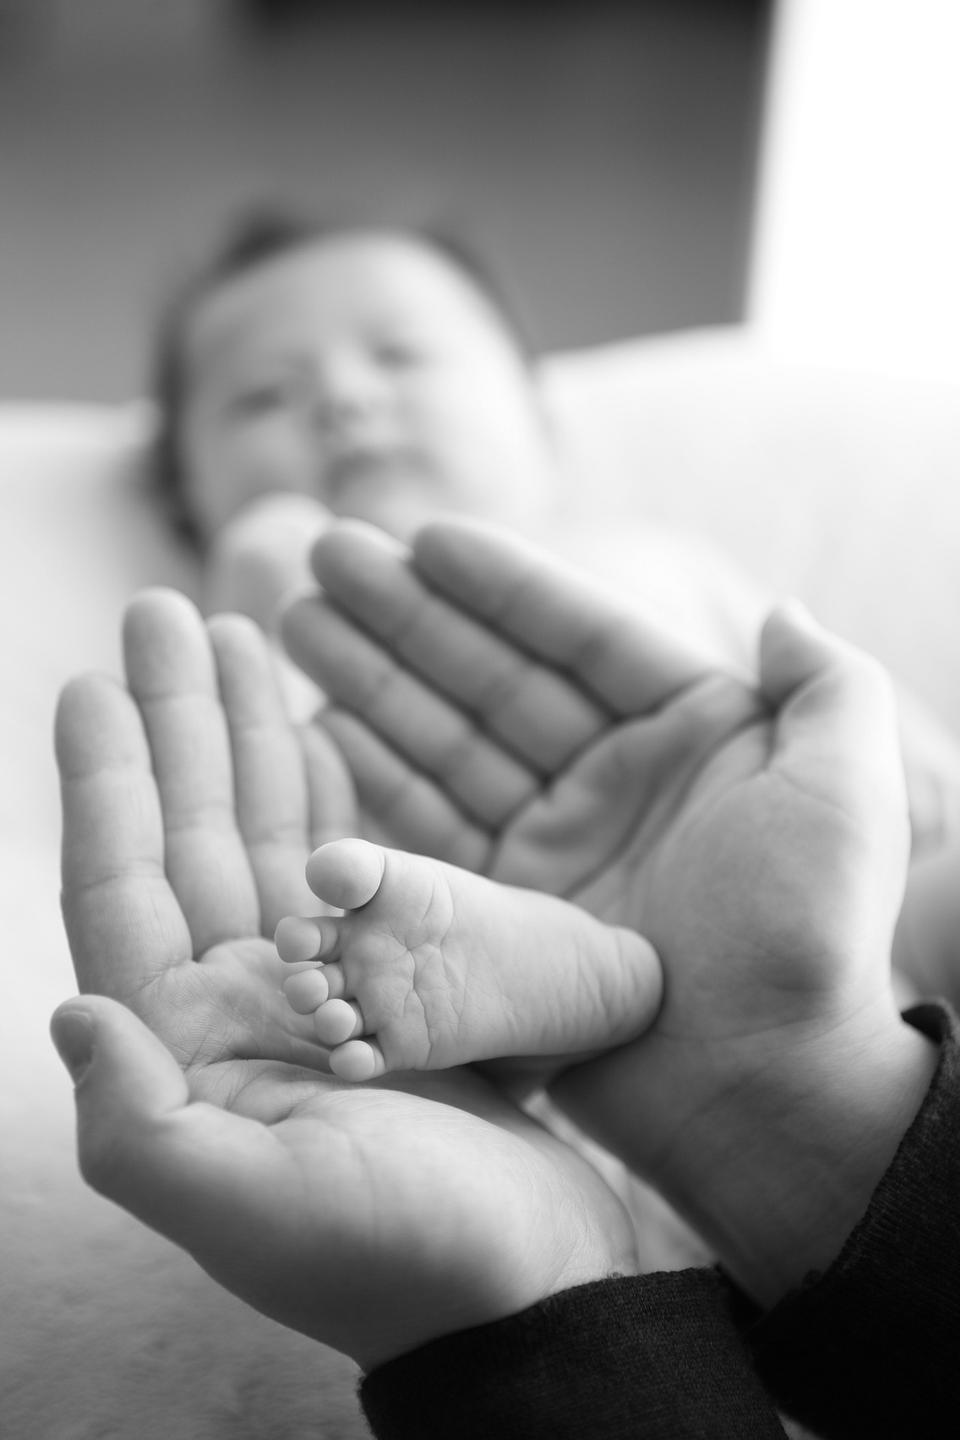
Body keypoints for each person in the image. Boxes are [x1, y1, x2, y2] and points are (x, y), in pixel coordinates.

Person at [51, 546, 959, 1435]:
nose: (342, 398)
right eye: (257, 404)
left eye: (407, 377)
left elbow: (927, 794)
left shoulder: (663, 566)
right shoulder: (314, 639)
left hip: (695, 889)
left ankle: (555, 971)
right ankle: (537, 973)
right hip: (431, 874)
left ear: (539, 430)